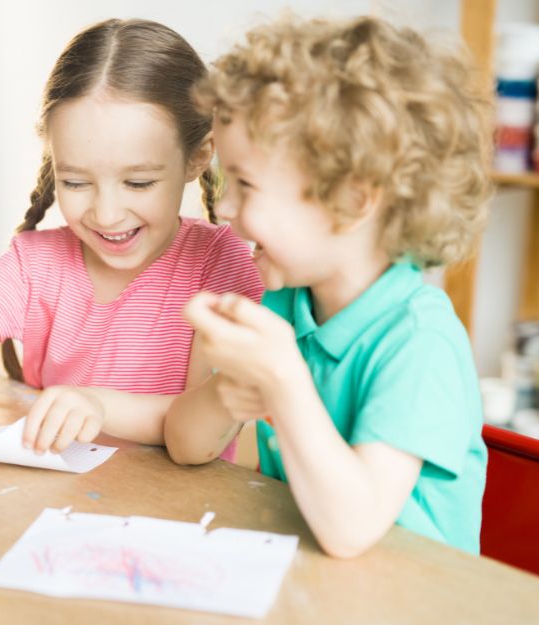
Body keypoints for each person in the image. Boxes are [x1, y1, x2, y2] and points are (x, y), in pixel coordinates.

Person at [0, 18, 263, 504]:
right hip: (48, 506)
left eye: (138, 183)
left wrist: (97, 405)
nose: (106, 214)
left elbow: (198, 425)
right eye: (77, 183)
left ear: (197, 158)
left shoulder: (225, 268)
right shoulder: (34, 263)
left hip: (176, 514)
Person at [164, 15, 493, 557]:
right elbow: (187, 445)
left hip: (412, 616)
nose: (222, 208)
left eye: (245, 184)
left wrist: (283, 378)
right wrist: (231, 390)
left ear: (353, 200)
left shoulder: (419, 340)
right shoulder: (286, 303)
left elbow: (351, 530)